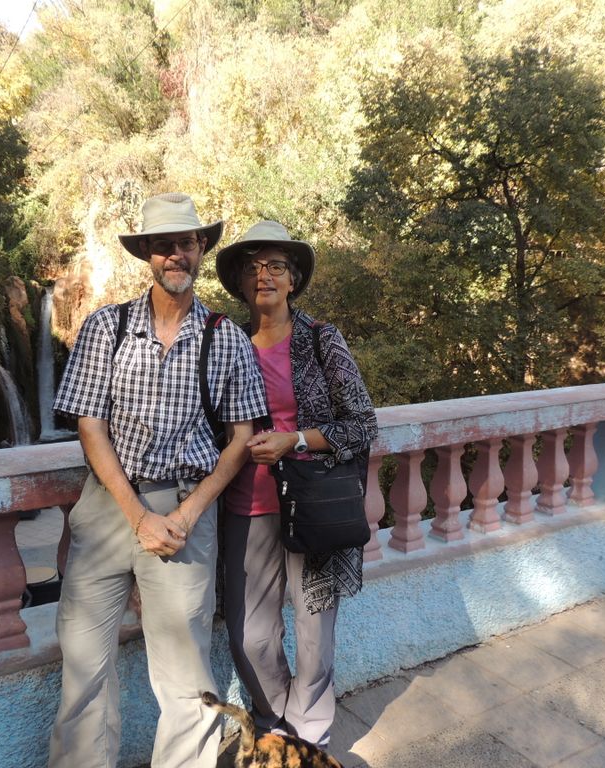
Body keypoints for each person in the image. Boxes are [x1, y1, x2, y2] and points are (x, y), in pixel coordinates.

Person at [49, 193, 269, 768]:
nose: (176, 254)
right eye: (164, 245)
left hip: (184, 512)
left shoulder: (226, 338)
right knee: (83, 667)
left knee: (186, 679)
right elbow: (90, 426)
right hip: (108, 508)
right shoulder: (107, 326)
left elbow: (241, 439)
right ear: (147, 253)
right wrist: (137, 515)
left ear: (201, 249)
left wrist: (186, 514)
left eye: (186, 243)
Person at [214, 220, 378, 748]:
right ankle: (276, 718)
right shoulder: (225, 343)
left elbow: (362, 423)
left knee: (313, 634)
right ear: (241, 283)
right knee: (250, 635)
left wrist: (296, 440)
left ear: (293, 279)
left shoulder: (320, 339)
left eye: (276, 266)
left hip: (312, 505)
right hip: (247, 504)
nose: (263, 275)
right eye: (253, 267)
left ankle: (310, 736)